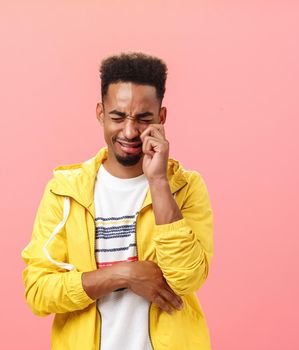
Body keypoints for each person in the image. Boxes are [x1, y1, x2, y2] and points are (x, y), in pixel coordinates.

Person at [21, 52, 214, 349]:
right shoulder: (64, 191)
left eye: (143, 118)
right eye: (118, 116)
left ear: (161, 118)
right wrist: (123, 274)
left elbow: (187, 279)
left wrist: (159, 182)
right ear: (100, 113)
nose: (129, 131)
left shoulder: (185, 187)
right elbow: (39, 291)